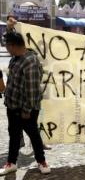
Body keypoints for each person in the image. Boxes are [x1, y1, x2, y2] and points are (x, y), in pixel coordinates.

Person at [0, 19, 51, 175]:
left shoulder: (30, 62)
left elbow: (32, 89)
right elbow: (9, 37)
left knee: (33, 135)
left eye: (7, 46)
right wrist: (9, 28)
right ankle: (11, 163)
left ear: (14, 46)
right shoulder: (17, 57)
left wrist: (27, 109)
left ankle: (41, 162)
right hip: (13, 106)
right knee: (14, 135)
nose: (6, 49)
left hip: (25, 108)